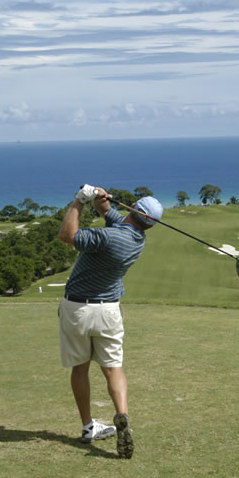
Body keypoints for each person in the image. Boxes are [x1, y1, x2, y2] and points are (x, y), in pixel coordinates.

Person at [58, 184, 163, 459]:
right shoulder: (136, 238)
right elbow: (111, 214)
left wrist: (80, 201)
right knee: (113, 369)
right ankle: (122, 416)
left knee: (80, 369)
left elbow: (66, 235)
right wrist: (99, 198)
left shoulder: (107, 237)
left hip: (78, 309)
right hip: (109, 312)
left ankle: (88, 427)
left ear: (134, 211)